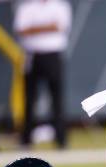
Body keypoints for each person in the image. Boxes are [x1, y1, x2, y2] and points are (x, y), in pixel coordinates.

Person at [14, 0, 72, 149]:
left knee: (57, 98)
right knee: (29, 98)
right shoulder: (26, 6)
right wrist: (47, 26)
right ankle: (25, 139)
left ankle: (61, 140)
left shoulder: (60, 5)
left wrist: (34, 28)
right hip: (33, 55)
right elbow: (21, 29)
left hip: (53, 55)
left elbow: (60, 27)